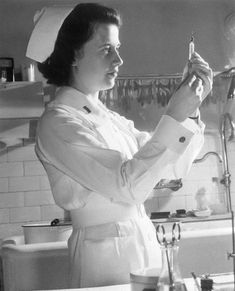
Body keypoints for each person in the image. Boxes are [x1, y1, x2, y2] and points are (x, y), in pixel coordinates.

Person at [34, 2, 213, 288]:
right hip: (102, 256)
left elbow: (171, 169)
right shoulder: (57, 123)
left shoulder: (112, 120)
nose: (119, 60)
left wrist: (189, 111)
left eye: (118, 48)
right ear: (72, 56)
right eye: (107, 49)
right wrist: (173, 114)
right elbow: (126, 186)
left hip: (143, 242)